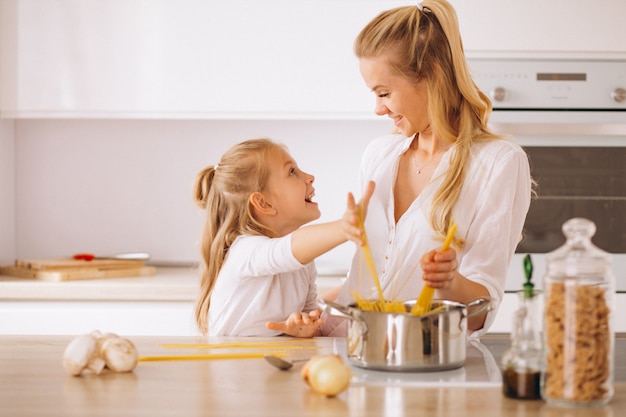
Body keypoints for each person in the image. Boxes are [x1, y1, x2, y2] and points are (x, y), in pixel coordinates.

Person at [319, 0, 533, 337]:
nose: (378, 109)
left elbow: (481, 311)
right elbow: (365, 283)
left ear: (431, 76)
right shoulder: (379, 154)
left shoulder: (498, 163)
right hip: (354, 355)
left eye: (384, 92)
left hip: (427, 364)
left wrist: (450, 283)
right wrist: (315, 318)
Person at [193, 138, 374, 337]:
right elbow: (286, 250)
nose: (310, 177)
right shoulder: (244, 251)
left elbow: (309, 316)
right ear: (264, 203)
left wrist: (303, 327)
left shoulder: (302, 262)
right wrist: (343, 228)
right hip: (229, 365)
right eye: (292, 172)